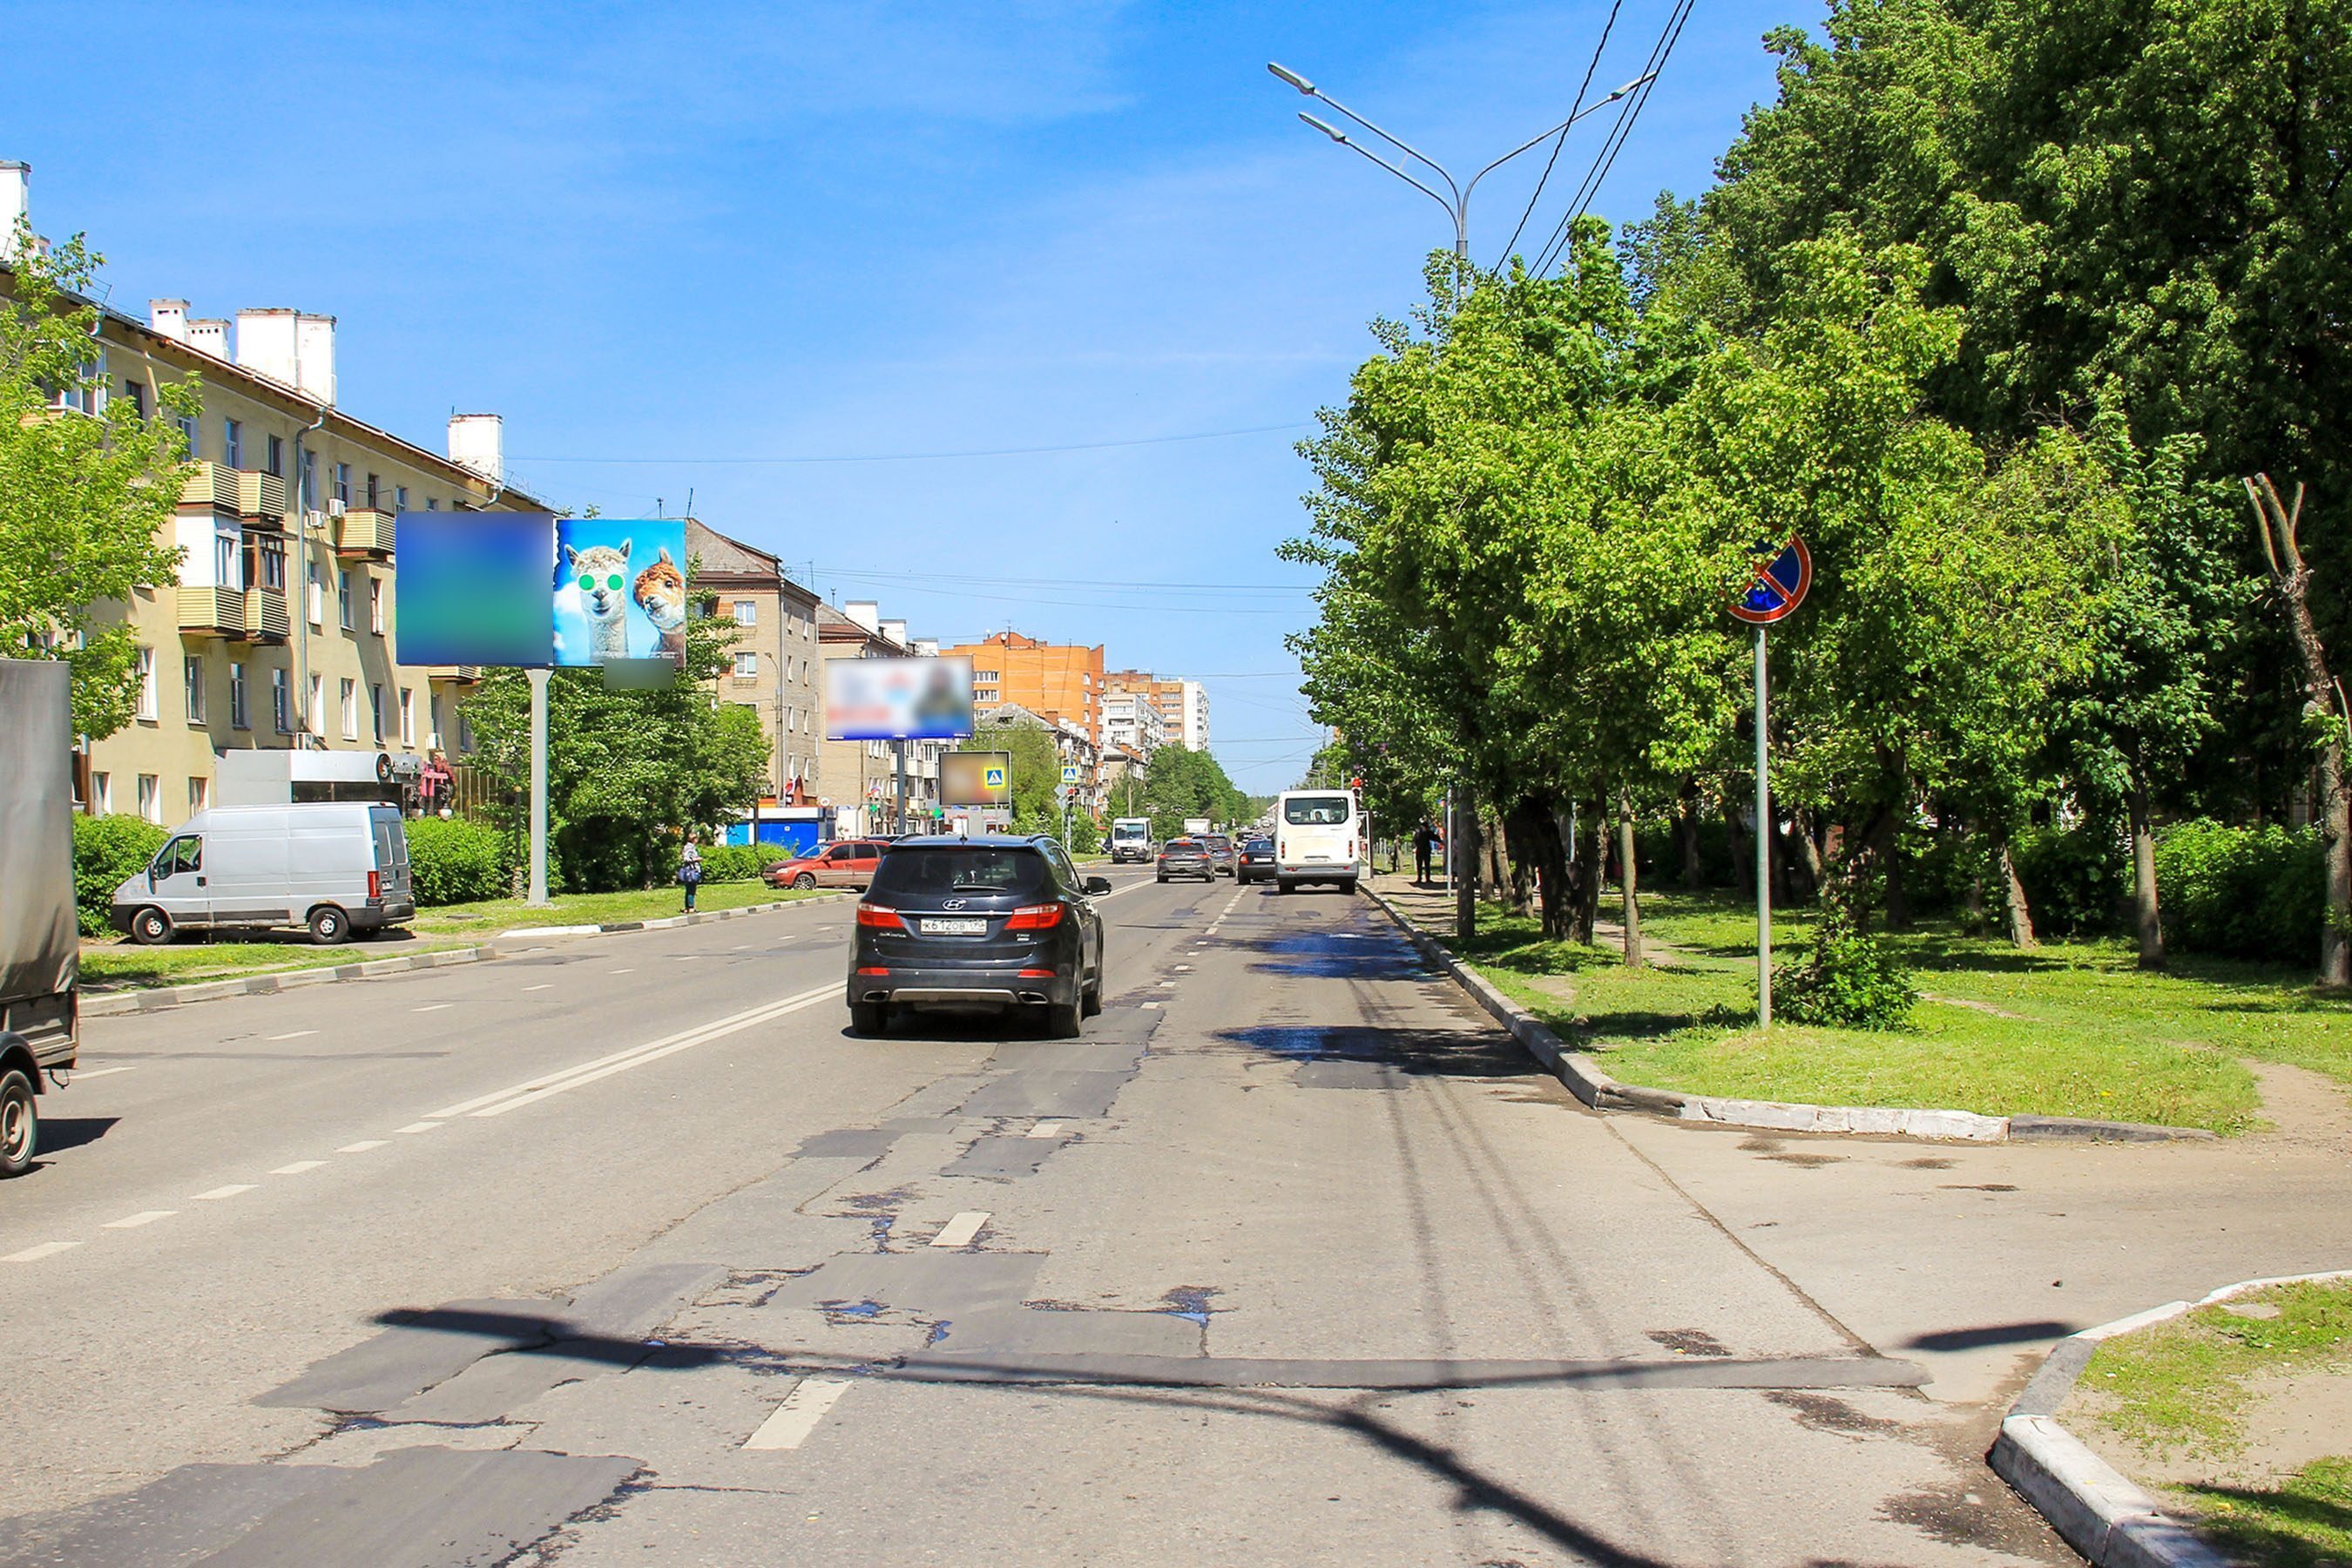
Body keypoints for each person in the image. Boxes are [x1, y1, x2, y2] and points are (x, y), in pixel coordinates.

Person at [679, 833, 703, 912]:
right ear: (694, 839)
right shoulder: (689, 847)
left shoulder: (689, 847)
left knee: (689, 889)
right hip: (691, 871)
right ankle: (690, 907)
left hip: (690, 870)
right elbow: (686, 858)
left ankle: (687, 907)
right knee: (691, 889)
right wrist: (696, 859)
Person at [1411, 821, 1436, 885]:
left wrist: (1414, 847)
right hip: (1423, 850)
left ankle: (1422, 878)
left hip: (1422, 850)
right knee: (1424, 865)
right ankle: (1423, 878)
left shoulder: (1420, 833)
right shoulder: (1423, 833)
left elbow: (1414, 840)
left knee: (1422, 865)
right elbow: (1434, 837)